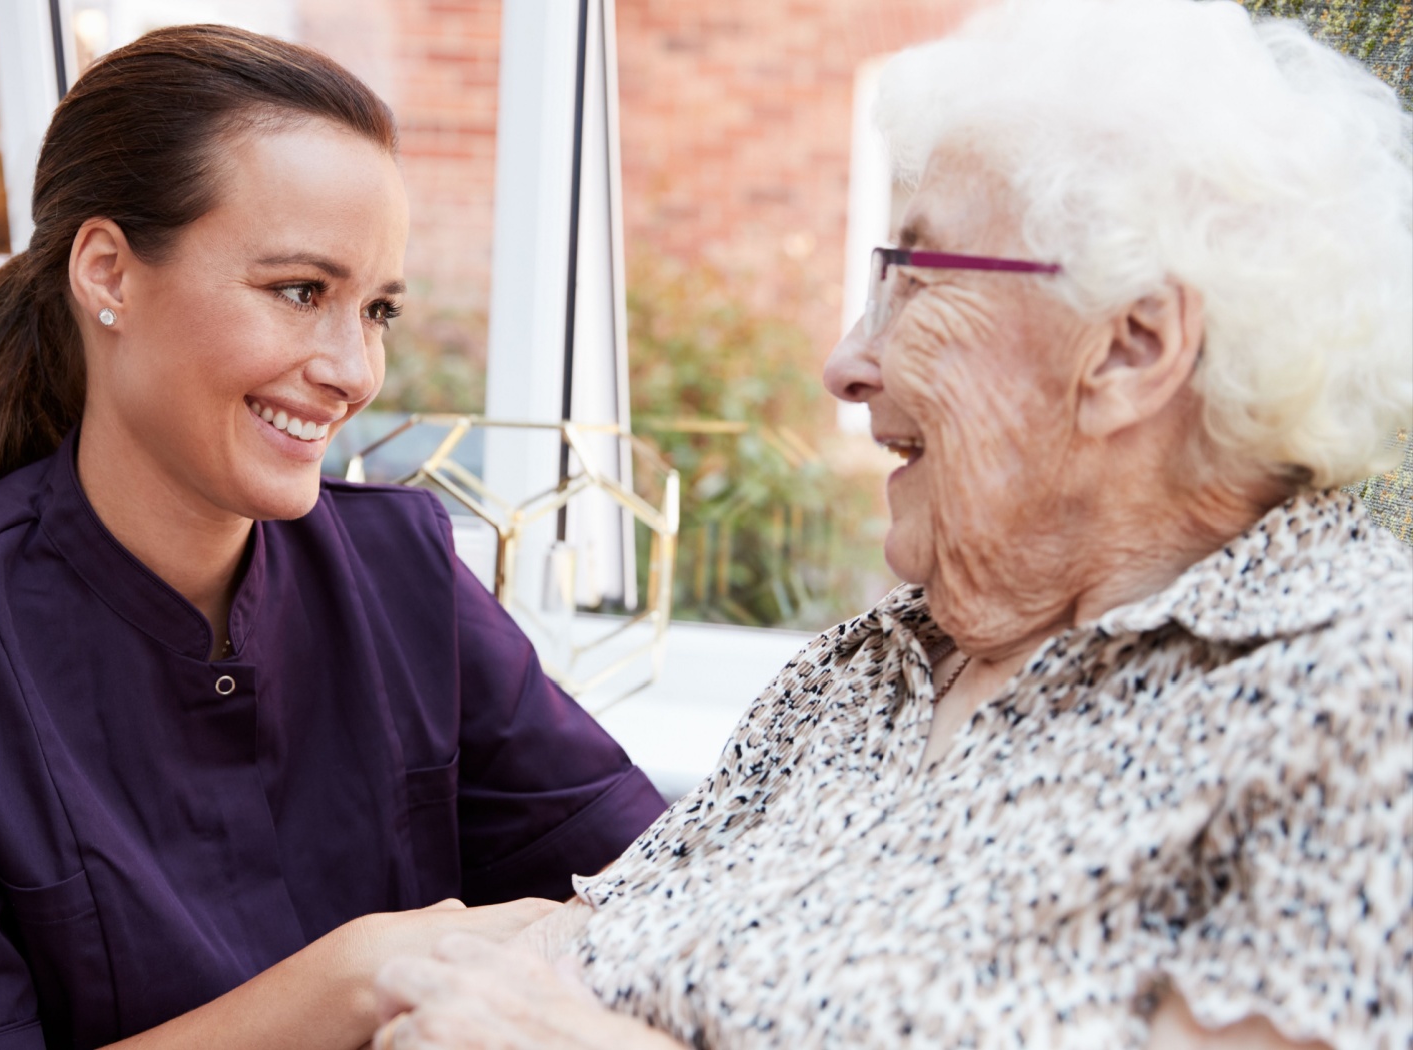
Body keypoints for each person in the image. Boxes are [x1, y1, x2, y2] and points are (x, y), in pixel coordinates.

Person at [366, 1, 1413, 1047]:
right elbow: (574, 951)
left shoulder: (1360, 688)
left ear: (1131, 349)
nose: (845, 362)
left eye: (913, 280)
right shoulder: (865, 670)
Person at [0, 24, 666, 1049]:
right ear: (108, 275)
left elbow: (660, 895)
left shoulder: (406, 577)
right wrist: (356, 978)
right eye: (299, 292)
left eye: (377, 309)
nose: (353, 369)